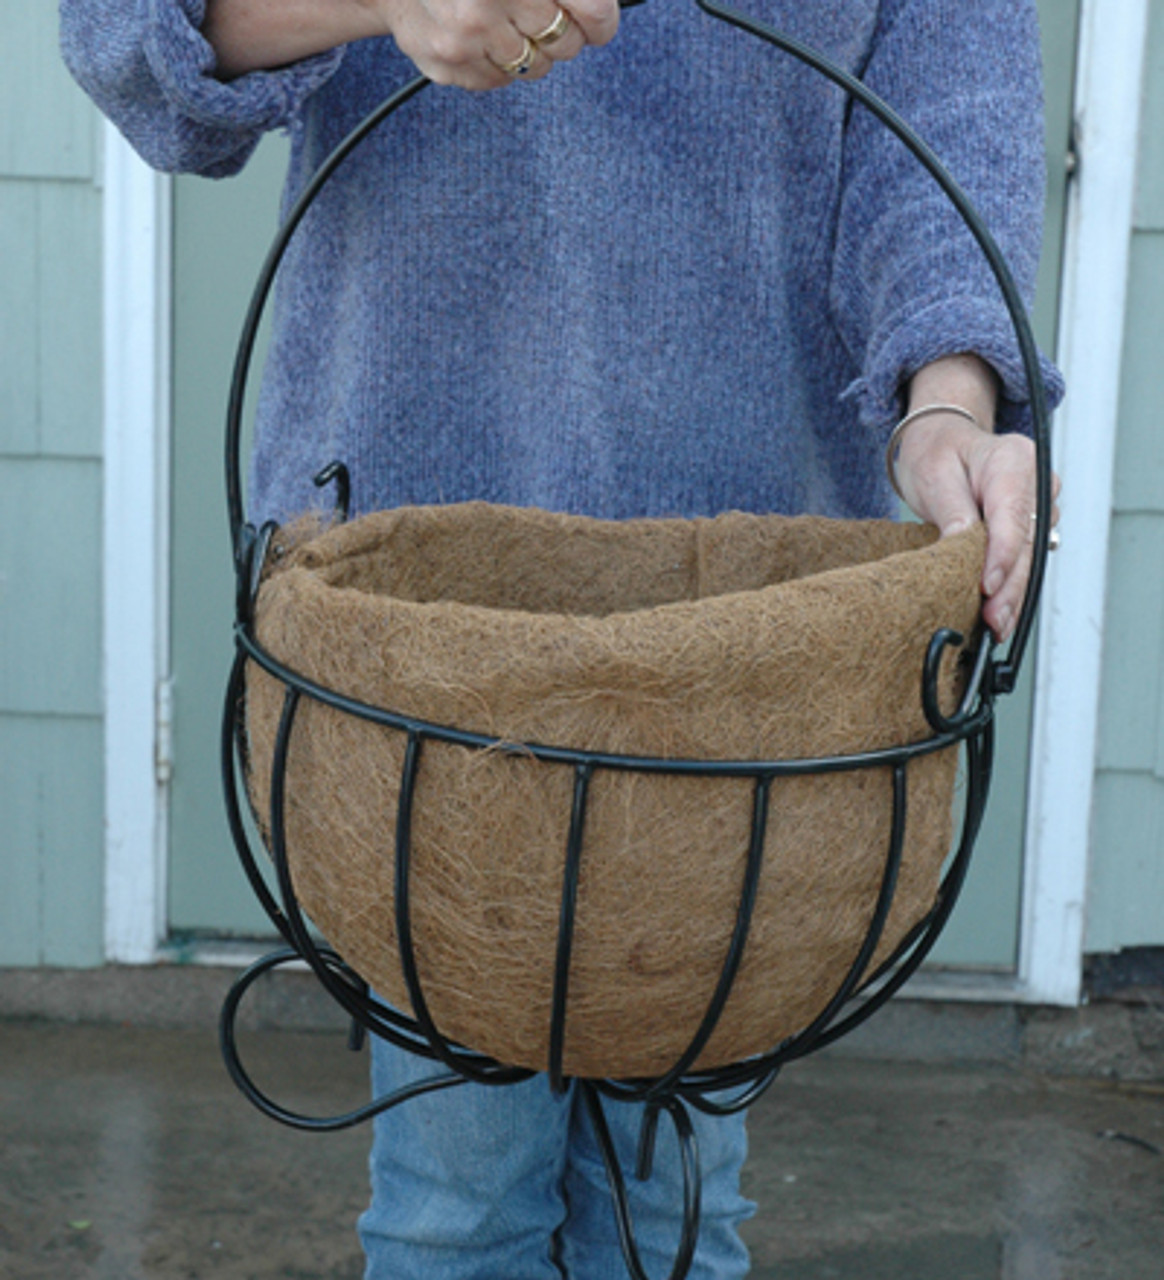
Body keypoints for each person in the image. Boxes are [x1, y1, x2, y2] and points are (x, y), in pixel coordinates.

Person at [61, 1, 1063, 1275]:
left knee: (669, 1222)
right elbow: (125, 33)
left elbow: (947, 110)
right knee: (458, 1206)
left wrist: (948, 398)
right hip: (421, 630)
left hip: (743, 650)